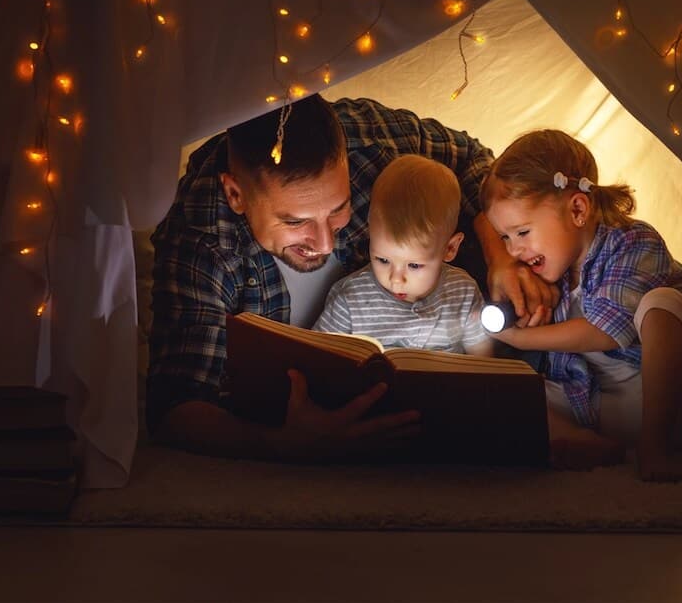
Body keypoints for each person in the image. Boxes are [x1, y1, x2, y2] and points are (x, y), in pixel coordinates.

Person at [148, 94, 553, 461]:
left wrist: (499, 253)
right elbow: (175, 408)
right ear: (237, 195)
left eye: (339, 210)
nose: (323, 241)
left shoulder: (374, 146)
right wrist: (281, 444)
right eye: (296, 221)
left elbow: (476, 162)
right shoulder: (200, 234)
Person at [480, 129, 682, 481]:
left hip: (680, 403)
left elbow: (605, 331)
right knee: (507, 392)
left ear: (577, 209)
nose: (514, 250)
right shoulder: (551, 271)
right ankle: (582, 442)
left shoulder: (633, 241)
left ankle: (654, 445)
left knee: (662, 304)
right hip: (600, 405)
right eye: (504, 237)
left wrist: (520, 338)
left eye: (522, 233)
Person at [313, 155, 494, 357]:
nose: (395, 279)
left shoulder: (463, 292)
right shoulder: (350, 299)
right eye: (383, 260)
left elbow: (481, 357)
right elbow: (319, 356)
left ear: (450, 248)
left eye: (414, 265)